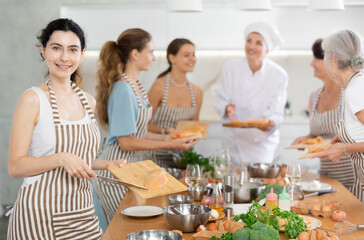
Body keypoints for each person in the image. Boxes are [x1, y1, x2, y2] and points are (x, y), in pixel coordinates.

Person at [7, 18, 126, 239]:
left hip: (83, 215)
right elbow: (16, 166)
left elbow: (81, 160)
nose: (64, 57)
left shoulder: (88, 101)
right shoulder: (32, 100)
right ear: (44, 51)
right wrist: (60, 158)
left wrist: (107, 164)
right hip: (38, 218)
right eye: (56, 48)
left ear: (81, 55)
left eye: (72, 50)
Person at [94, 29, 197, 223]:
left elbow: (141, 132)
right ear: (135, 54)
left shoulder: (135, 86)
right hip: (114, 172)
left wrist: (172, 138)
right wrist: (170, 145)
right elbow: (126, 142)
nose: (153, 57)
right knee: (123, 229)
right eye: (150, 51)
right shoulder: (123, 89)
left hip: (128, 171)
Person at [214, 21, 288, 164]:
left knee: (258, 183)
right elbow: (220, 100)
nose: (252, 46)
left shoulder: (279, 75)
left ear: (267, 49)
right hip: (233, 141)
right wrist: (226, 108)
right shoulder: (230, 67)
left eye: (259, 43)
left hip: (261, 144)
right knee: (232, 182)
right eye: (249, 41)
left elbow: (277, 113)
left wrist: (270, 123)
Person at [291, 39, 355, 190]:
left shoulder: (350, 94)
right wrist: (306, 140)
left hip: (352, 179)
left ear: (332, 60)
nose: (311, 64)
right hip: (325, 179)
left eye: (316, 58)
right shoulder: (314, 97)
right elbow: (317, 135)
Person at [313, 30, 364, 203]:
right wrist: (343, 139)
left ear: (333, 57)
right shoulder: (355, 84)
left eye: (325, 54)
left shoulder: (355, 90)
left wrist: (344, 149)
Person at [147, 38, 203, 168]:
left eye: (193, 55)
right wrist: (165, 130)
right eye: (186, 55)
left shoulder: (197, 92)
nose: (192, 59)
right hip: (155, 156)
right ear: (172, 58)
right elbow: (143, 125)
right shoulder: (158, 87)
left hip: (181, 158)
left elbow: (194, 128)